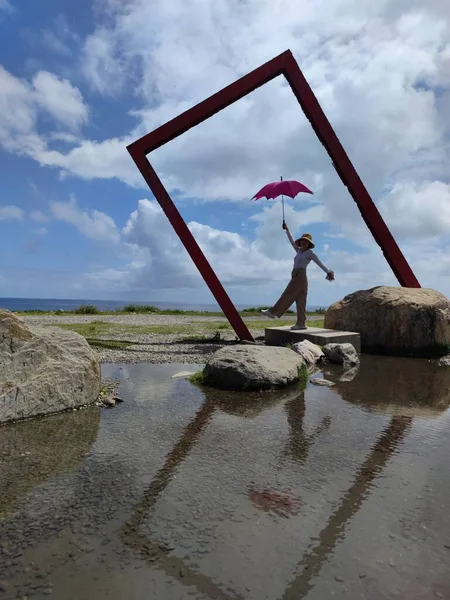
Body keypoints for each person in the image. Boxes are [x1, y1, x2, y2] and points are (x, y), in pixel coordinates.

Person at [261, 221, 335, 330]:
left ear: (309, 243)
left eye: (306, 241)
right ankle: (301, 323)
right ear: (300, 242)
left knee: (288, 293)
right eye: (303, 241)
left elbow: (319, 263)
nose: (304, 242)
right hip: (296, 275)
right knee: (300, 300)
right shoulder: (299, 251)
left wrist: (328, 271)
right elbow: (291, 242)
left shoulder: (310, 253)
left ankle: (273, 311)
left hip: (300, 275)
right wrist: (287, 230)